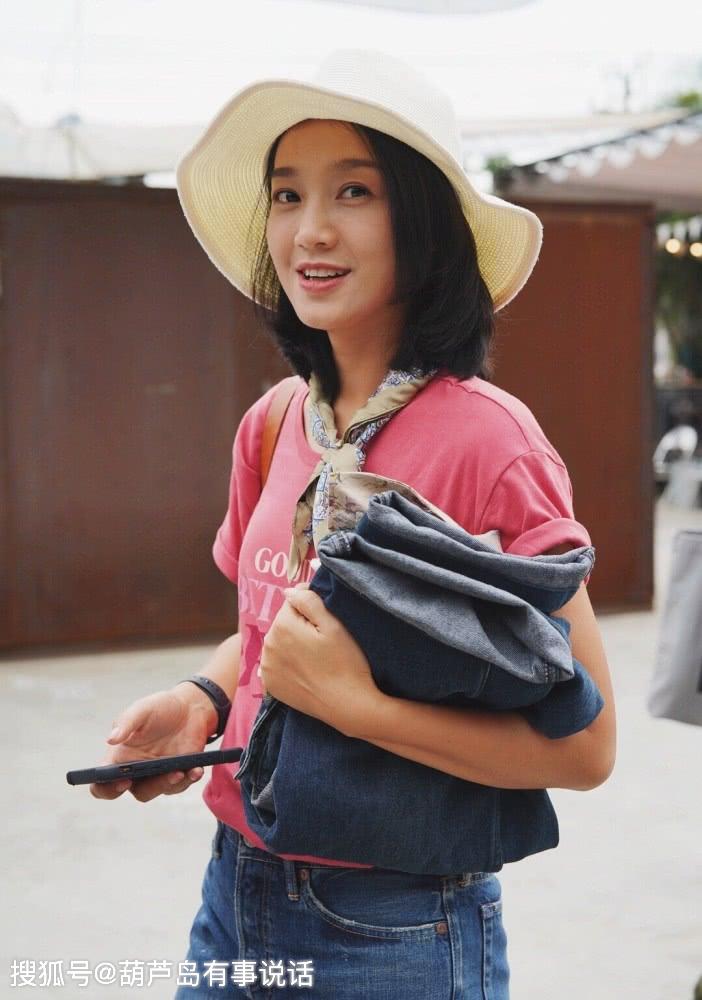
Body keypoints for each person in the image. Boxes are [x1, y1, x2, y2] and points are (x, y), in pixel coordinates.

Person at [90, 49, 616, 999]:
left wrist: (358, 707)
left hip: (397, 924)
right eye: (287, 196)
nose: (311, 230)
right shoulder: (274, 424)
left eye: (354, 191)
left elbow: (586, 749)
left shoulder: (489, 443)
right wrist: (204, 699)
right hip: (236, 892)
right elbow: (272, 634)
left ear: (422, 222)